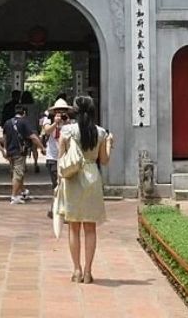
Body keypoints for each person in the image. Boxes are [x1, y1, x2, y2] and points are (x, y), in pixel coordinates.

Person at [59, 95, 111, 284]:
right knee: (90, 228)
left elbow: (61, 159)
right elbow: (104, 161)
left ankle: (77, 270)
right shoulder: (101, 133)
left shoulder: (67, 131)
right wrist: (110, 144)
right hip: (92, 177)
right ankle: (89, 271)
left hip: (73, 178)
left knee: (74, 227)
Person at [3, 106, 42, 204]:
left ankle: (23, 192)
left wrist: (5, 149)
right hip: (19, 152)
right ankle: (14, 196)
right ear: (24, 113)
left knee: (17, 172)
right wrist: (42, 147)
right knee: (18, 174)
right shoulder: (24, 122)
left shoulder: (8, 122)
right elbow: (33, 136)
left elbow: (5, 137)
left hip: (10, 152)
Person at [42, 98, 71, 217]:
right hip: (53, 157)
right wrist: (55, 122)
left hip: (66, 157)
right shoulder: (48, 119)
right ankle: (56, 208)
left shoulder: (70, 122)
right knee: (56, 184)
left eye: (63, 111)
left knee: (66, 184)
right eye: (58, 111)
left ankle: (58, 208)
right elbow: (47, 131)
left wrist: (67, 122)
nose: (61, 113)